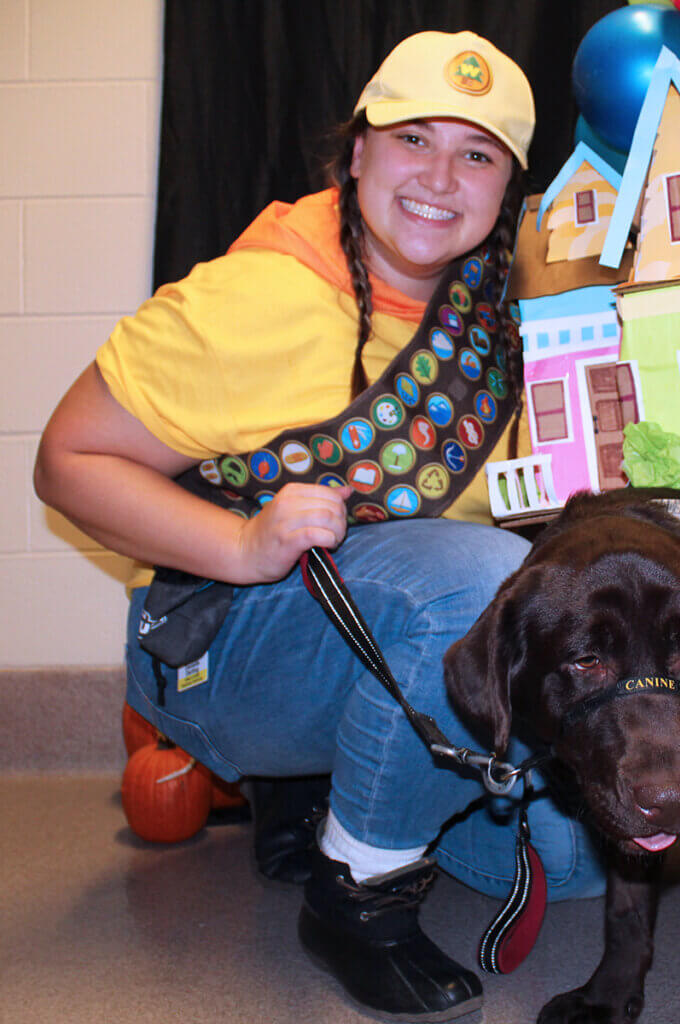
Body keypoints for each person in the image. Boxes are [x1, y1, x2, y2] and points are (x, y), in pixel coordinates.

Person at [34, 30, 604, 1023]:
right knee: (478, 586)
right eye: (412, 139)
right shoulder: (256, 295)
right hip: (221, 650)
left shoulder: (508, 312)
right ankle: (356, 895)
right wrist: (246, 545)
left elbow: (513, 495)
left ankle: (321, 789)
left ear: (508, 186)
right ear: (356, 152)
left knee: (572, 859)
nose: (439, 176)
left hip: (379, 646)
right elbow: (67, 459)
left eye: (477, 154)